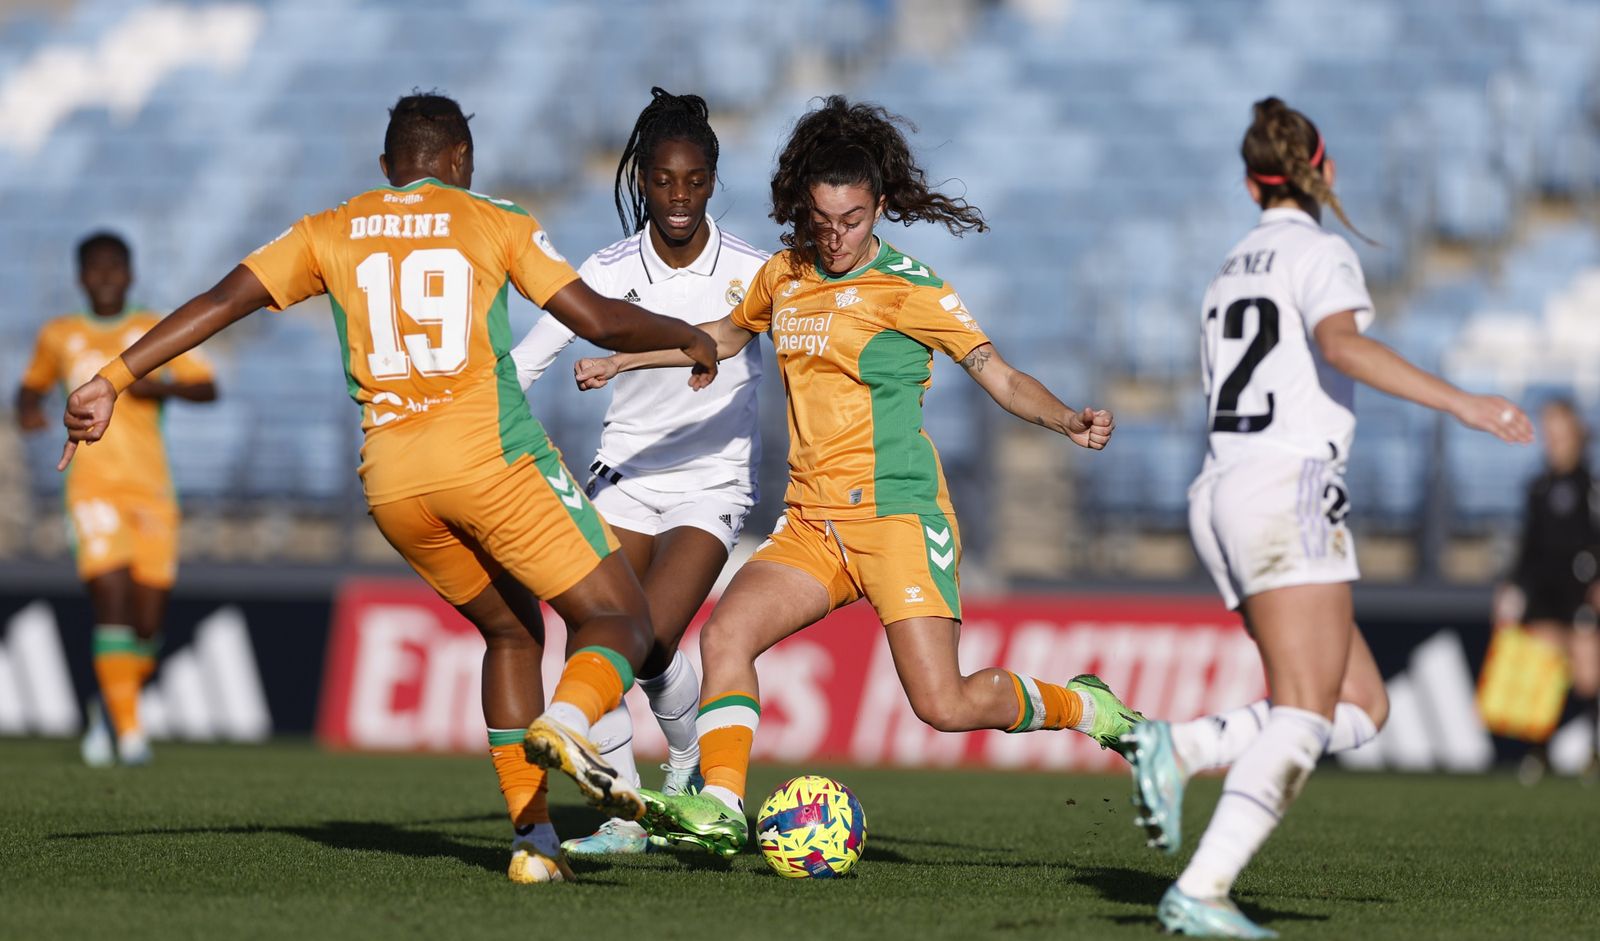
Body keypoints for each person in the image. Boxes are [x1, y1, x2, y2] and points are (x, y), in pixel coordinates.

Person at [56, 93, 718, 884]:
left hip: (394, 485)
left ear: (387, 167)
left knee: (512, 634)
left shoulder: (329, 227)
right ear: (461, 163)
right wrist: (687, 336)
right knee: (622, 616)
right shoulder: (492, 218)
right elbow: (601, 322)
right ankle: (571, 723)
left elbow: (221, 302)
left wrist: (113, 376)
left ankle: (534, 843)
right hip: (490, 461)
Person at [575, 95, 1142, 858]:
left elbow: (999, 378)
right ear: (803, 209)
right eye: (823, 220)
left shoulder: (911, 287)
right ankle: (718, 805)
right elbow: (718, 336)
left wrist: (1067, 418)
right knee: (728, 633)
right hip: (811, 524)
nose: (838, 236)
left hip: (896, 517)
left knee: (942, 703)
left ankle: (1084, 707)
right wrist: (629, 356)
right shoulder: (785, 275)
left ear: (879, 207)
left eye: (854, 219)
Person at [1122, 97, 1533, 939]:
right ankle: (1202, 887)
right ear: (1325, 171)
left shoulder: (1231, 266)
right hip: (1286, 490)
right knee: (1306, 712)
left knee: (1363, 706)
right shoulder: (1319, 251)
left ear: (1249, 184)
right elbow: (1341, 346)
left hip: (1223, 490)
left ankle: (1189, 748)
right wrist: (1465, 404)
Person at [510, 88, 768, 856]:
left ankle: (684, 762)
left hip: (712, 482)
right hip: (624, 476)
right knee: (609, 634)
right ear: (642, 182)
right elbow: (526, 361)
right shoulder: (606, 268)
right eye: (662, 180)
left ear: (713, 180)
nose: (678, 197)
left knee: (648, 631)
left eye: (693, 181)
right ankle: (627, 816)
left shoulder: (754, 271)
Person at [16, 232, 218, 767]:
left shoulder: (152, 330)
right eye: (95, 269)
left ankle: (109, 704)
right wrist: (27, 411)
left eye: (115, 268)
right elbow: (29, 388)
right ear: (80, 277)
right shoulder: (59, 335)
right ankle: (131, 737)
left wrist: (163, 389)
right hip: (91, 489)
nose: (105, 277)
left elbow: (207, 387)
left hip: (153, 493)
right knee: (111, 600)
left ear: (131, 275)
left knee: (146, 625)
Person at [1496, 397, 1600, 784]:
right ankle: (1538, 752)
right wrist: (1512, 587)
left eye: (1559, 432)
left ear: (1576, 435)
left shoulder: (1590, 486)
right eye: (1548, 432)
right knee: (1540, 667)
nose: (1552, 441)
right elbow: (1528, 545)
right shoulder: (1537, 488)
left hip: (1580, 585)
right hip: (1543, 585)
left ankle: (1592, 750)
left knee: (1587, 670)